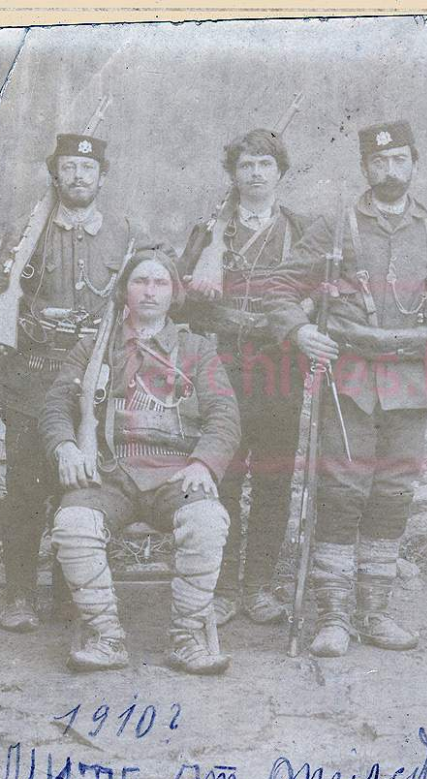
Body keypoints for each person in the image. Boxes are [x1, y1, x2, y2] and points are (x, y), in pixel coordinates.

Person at [265, 120, 427, 656]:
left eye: (399, 159)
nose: (390, 170)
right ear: (364, 168)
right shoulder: (336, 226)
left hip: (411, 377)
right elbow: (280, 285)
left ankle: (374, 612)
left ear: (414, 163)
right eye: (379, 162)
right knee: (340, 491)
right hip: (349, 376)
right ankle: (333, 616)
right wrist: (300, 330)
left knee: (394, 492)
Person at [39, 249, 241, 674]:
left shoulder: (197, 349)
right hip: (110, 474)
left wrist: (204, 464)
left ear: (174, 293)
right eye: (140, 281)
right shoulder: (94, 348)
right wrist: (66, 448)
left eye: (160, 282)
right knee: (73, 524)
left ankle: (187, 637)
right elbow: (56, 405)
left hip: (177, 474)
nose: (150, 291)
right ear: (124, 291)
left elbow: (224, 416)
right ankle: (106, 636)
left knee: (207, 520)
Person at [0, 134, 148, 632]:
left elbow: (139, 307)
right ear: (56, 175)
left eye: (87, 169)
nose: (78, 176)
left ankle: (70, 596)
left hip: (89, 382)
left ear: (102, 177)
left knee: (79, 489)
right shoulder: (29, 232)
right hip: (31, 381)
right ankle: (19, 595)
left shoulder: (123, 235)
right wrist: (34, 323)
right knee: (25, 491)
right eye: (69, 167)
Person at [180, 128, 315, 626]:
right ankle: (220, 589)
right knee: (225, 475)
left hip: (280, 369)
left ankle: (258, 585)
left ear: (280, 172)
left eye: (265, 164)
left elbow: (324, 290)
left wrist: (305, 312)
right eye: (246, 165)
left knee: (274, 479)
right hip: (223, 367)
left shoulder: (301, 230)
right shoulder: (210, 231)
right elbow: (182, 304)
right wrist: (203, 278)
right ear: (233, 174)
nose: (256, 174)